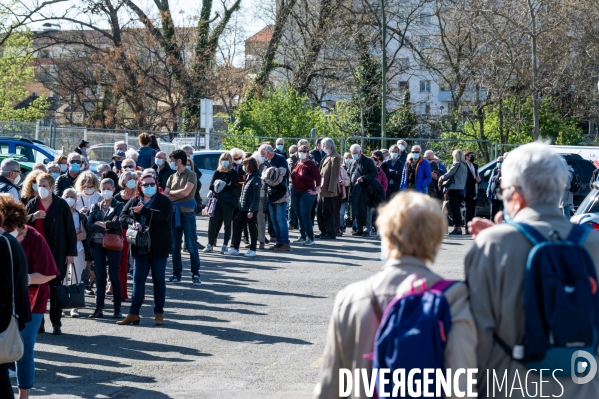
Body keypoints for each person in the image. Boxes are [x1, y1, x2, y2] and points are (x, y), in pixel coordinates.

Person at [465, 142, 599, 397]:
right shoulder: (593, 243)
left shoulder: (493, 245)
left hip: (509, 385)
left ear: (516, 193)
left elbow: (477, 332)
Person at [313, 191, 476, 398]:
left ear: (386, 236)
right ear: (435, 240)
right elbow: (463, 383)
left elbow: (330, 386)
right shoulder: (455, 298)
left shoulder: (350, 298)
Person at [0, 195, 58, 399]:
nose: (21, 236)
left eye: (22, 231)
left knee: (22, 349)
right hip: (7, 305)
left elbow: (50, 272)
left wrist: (21, 279)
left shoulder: (32, 236)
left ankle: (24, 394)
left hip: (31, 303)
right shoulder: (5, 240)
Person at [118, 172, 173, 326]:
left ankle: (159, 313)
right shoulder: (135, 200)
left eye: (152, 184)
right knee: (138, 280)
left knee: (158, 280)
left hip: (159, 247)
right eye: (145, 185)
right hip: (139, 246)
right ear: (140, 187)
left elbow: (165, 216)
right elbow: (122, 216)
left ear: (156, 185)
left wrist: (144, 211)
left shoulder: (164, 200)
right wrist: (132, 223)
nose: (149, 187)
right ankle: (133, 313)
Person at [26, 173, 77, 335]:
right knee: (37, 287)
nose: (41, 189)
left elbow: (70, 230)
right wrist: (32, 217)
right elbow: (22, 225)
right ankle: (38, 321)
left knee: (56, 288)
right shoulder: (32, 203)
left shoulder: (61, 205)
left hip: (56, 251)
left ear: (52, 187)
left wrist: (71, 252)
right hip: (36, 253)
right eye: (38, 185)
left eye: (44, 186)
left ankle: (56, 321)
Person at [0, 210, 31, 399]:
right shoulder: (8, 241)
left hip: (3, 317)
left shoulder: (3, 244)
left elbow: (1, 285)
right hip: (8, 315)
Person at [86, 178, 124, 319]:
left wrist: (101, 224)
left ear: (114, 189)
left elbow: (116, 224)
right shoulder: (96, 206)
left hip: (113, 243)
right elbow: (89, 225)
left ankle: (117, 308)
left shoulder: (119, 205)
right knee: (100, 276)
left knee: (114, 275)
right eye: (103, 188)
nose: (105, 191)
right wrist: (106, 225)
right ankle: (99, 308)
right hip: (96, 244)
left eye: (108, 188)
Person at [164, 149, 201, 285]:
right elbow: (165, 194)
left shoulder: (191, 175)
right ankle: (176, 274)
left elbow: (186, 193)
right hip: (174, 214)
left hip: (188, 214)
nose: (171, 163)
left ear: (179, 161)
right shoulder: (171, 177)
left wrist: (172, 195)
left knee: (191, 245)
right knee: (175, 246)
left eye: (172, 160)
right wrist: (175, 194)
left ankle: (195, 274)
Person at [226, 157, 261, 256]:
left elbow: (256, 197)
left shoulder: (256, 178)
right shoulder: (248, 176)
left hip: (250, 209)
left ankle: (253, 249)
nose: (243, 167)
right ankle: (235, 248)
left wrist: (251, 210)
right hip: (242, 208)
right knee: (237, 227)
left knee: (252, 229)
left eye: (244, 165)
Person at [204, 153, 238, 253]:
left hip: (228, 201)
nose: (225, 161)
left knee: (227, 223)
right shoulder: (217, 172)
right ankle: (210, 244)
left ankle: (225, 245)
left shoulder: (233, 173)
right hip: (216, 200)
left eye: (227, 159)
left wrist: (219, 185)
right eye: (223, 159)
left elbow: (231, 186)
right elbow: (211, 186)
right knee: (213, 223)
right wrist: (221, 185)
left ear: (231, 161)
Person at [61, 188, 87, 318]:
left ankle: (74, 307)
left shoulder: (80, 215)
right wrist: (74, 233)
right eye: (67, 196)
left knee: (76, 278)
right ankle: (61, 305)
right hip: (61, 252)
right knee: (62, 278)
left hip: (78, 251)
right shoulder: (58, 214)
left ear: (76, 200)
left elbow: (83, 235)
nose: (69, 199)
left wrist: (70, 236)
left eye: (72, 197)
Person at [260, 144, 291, 251]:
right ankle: (279, 242)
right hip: (271, 194)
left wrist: (269, 173)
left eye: (263, 155)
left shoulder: (280, 158)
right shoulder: (268, 162)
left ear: (268, 152)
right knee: (274, 220)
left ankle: (285, 242)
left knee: (281, 219)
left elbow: (281, 173)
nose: (263, 157)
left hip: (280, 193)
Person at [114, 171, 139, 301]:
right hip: (121, 232)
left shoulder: (140, 197)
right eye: (130, 178)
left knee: (137, 264)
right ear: (123, 181)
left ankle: (139, 293)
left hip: (137, 233)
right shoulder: (117, 197)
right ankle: (122, 293)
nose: (133, 180)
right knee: (121, 264)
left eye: (135, 178)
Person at [291, 144, 321, 246]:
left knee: (305, 214)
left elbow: (318, 177)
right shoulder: (297, 163)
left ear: (308, 153)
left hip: (306, 192)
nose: (301, 153)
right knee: (299, 214)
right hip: (296, 191)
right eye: (300, 151)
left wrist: (316, 190)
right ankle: (302, 236)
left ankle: (310, 237)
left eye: (304, 151)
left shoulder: (310, 164)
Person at [348, 144, 378, 236]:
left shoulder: (368, 161)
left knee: (366, 210)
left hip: (366, 189)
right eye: (352, 153)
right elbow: (349, 173)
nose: (354, 155)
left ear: (360, 152)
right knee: (356, 209)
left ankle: (367, 229)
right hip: (355, 189)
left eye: (355, 153)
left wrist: (364, 178)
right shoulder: (353, 162)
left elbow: (374, 173)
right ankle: (359, 229)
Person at [316, 138, 341, 240]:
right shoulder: (327, 156)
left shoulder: (335, 157)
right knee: (320, 212)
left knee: (328, 212)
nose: (322, 147)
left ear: (329, 146)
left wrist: (331, 190)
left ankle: (330, 233)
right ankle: (323, 231)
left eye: (323, 145)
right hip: (321, 188)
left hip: (328, 190)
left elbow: (334, 176)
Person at [439, 150, 468, 235]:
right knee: (457, 209)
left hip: (454, 189)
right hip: (460, 189)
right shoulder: (464, 165)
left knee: (454, 209)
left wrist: (441, 178)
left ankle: (457, 228)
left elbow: (449, 174)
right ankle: (457, 227)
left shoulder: (457, 164)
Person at [365, 151, 388, 237]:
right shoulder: (366, 172)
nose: (372, 162)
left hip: (378, 196)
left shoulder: (381, 172)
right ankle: (368, 229)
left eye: (374, 160)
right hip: (369, 195)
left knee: (379, 213)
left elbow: (385, 184)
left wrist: (382, 193)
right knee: (369, 213)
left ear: (377, 162)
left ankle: (379, 230)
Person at [464, 151, 480, 226]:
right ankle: (468, 227)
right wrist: (475, 180)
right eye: (471, 156)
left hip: (474, 190)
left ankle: (472, 226)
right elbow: (465, 179)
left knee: (473, 209)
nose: (472, 157)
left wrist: (479, 179)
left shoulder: (475, 166)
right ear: (466, 157)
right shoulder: (464, 166)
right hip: (467, 190)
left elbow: (477, 175)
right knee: (468, 209)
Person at [486, 156, 504, 222]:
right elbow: (491, 182)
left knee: (504, 214)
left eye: (501, 162)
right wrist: (488, 193)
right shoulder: (495, 169)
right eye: (498, 162)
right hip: (494, 196)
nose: (499, 163)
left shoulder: (507, 170)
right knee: (493, 214)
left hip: (503, 196)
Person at [339, 153, 353, 234]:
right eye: (346, 158)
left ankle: (354, 226)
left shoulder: (354, 167)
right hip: (343, 192)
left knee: (351, 210)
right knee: (341, 212)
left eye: (349, 157)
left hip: (351, 191)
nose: (348, 159)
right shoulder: (341, 168)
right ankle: (340, 226)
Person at [287, 146, 300, 231]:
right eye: (290, 152)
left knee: (299, 205)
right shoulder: (290, 160)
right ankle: (291, 223)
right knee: (291, 205)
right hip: (292, 183)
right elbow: (291, 170)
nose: (291, 154)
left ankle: (297, 224)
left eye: (293, 152)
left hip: (301, 185)